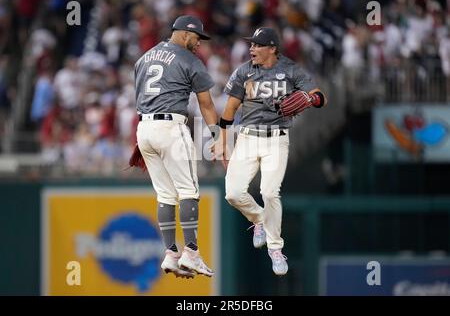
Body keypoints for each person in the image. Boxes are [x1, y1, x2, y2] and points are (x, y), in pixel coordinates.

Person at [217, 27, 327, 276]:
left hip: (276, 140)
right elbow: (230, 109)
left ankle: (276, 249)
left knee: (269, 192)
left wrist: (311, 100)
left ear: (272, 48)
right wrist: (221, 141)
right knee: (232, 194)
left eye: (257, 45)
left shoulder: (290, 69)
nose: (252, 49)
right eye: (251, 45)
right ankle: (258, 219)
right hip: (247, 138)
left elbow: (320, 96)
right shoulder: (244, 71)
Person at [134, 15, 218, 278]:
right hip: (170, 127)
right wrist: (217, 135)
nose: (198, 44)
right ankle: (191, 253)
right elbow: (205, 104)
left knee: (165, 195)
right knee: (188, 190)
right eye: (196, 37)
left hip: (144, 129)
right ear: (183, 34)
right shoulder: (189, 60)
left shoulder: (143, 58)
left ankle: (171, 253)